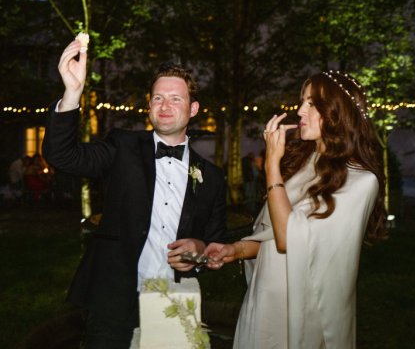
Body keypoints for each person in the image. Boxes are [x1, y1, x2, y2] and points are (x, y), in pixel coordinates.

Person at [42, 37, 227, 349]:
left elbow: (216, 242)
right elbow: (63, 156)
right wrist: (72, 93)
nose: (165, 106)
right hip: (114, 297)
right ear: (149, 105)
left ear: (193, 109)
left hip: (173, 297)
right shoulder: (122, 146)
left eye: (175, 99)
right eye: (157, 98)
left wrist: (199, 250)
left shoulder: (211, 176)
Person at [204, 71, 386, 349]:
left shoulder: (361, 181)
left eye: (312, 103)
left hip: (303, 318)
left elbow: (289, 238)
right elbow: (271, 234)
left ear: (338, 113)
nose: (300, 110)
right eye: (302, 101)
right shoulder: (303, 165)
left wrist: (270, 166)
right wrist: (236, 250)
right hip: (263, 302)